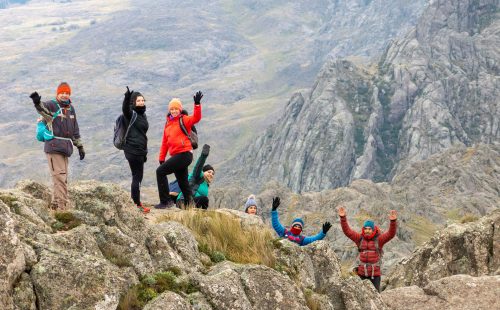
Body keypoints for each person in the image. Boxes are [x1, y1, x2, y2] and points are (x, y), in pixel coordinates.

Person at [29, 82, 85, 210]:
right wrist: (37, 103)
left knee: (62, 178)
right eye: (62, 92)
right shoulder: (52, 105)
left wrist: (80, 147)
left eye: (67, 93)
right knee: (59, 177)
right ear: (57, 93)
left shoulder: (71, 108)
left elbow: (75, 129)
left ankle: (55, 207)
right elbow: (43, 110)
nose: (65, 95)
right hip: (54, 146)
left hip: (66, 148)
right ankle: (62, 209)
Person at [155, 91, 203, 209]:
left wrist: (197, 104)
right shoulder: (168, 124)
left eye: (176, 109)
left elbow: (196, 118)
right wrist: (162, 157)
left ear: (180, 109)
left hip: (185, 154)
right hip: (177, 155)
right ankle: (190, 205)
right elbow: (165, 142)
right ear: (169, 110)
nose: (174, 111)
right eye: (172, 109)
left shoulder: (184, 120)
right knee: (182, 182)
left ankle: (166, 202)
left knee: (160, 172)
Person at [337, 206, 397, 292]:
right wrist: (343, 218)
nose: (367, 231)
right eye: (365, 229)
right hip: (362, 274)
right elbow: (348, 231)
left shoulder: (379, 240)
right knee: (361, 297)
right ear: (363, 229)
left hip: (375, 276)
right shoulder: (360, 239)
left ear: (373, 230)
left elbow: (390, 234)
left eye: (369, 229)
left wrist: (393, 222)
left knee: (376, 297)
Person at [121, 86, 150, 214]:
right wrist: (127, 98)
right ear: (133, 102)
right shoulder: (131, 114)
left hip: (139, 150)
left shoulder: (142, 115)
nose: (141, 102)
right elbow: (125, 109)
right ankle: (137, 204)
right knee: (137, 177)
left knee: (136, 176)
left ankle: (136, 202)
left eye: (142, 100)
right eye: (138, 101)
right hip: (134, 150)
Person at [176, 144, 214, 209]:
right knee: (204, 199)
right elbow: (198, 166)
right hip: (183, 202)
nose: (211, 174)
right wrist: (203, 156)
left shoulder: (206, 184)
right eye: (209, 172)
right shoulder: (197, 176)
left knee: (204, 200)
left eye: (213, 173)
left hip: (192, 202)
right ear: (203, 172)